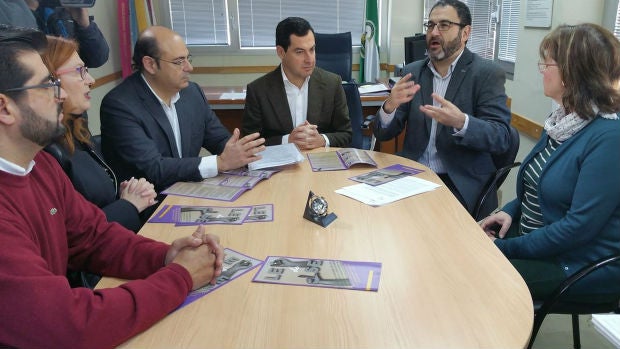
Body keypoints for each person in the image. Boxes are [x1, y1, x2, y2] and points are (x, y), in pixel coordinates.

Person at [0, 25, 224, 348]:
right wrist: (181, 276)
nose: (61, 94)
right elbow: (72, 326)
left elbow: (94, 238)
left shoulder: (41, 166)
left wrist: (167, 256)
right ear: (5, 108)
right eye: (48, 85)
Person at [480, 23, 620, 299]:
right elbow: (538, 185)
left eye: (547, 63)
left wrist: (504, 248)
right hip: (539, 240)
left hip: (579, 263)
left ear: (572, 72)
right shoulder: (562, 122)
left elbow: (577, 228)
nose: (542, 70)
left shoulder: (609, 138)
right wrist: (509, 210)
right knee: (464, 251)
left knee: (478, 274)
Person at [374, 0, 511, 217]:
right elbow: (383, 133)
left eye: (444, 25)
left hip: (457, 181)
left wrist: (461, 122)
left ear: (465, 33)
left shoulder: (486, 74)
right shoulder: (413, 72)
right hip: (411, 174)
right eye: (430, 25)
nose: (434, 32)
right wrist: (390, 105)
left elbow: (501, 137)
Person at [100, 25, 266, 192]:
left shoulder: (191, 93)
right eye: (179, 62)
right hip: (150, 203)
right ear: (150, 64)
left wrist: (241, 153)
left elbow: (218, 139)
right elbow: (154, 168)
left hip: (189, 189)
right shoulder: (120, 105)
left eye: (188, 58)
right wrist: (219, 163)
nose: (189, 67)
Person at [43, 35, 157, 233]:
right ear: (49, 81)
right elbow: (72, 234)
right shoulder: (44, 151)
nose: (91, 80)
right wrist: (128, 205)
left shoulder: (76, 127)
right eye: (80, 71)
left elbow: (95, 205)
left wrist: (125, 195)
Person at [242, 16, 352, 150]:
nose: (309, 59)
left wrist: (322, 140)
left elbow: (346, 134)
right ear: (281, 52)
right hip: (282, 167)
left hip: (321, 165)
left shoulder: (332, 83)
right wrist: (287, 140)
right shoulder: (258, 90)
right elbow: (250, 144)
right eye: (300, 52)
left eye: (312, 49)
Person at [0, 0, 109, 68]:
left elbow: (97, 59)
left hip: (68, 97)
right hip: (38, 96)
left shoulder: (61, 10)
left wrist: (85, 25)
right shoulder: (7, 12)